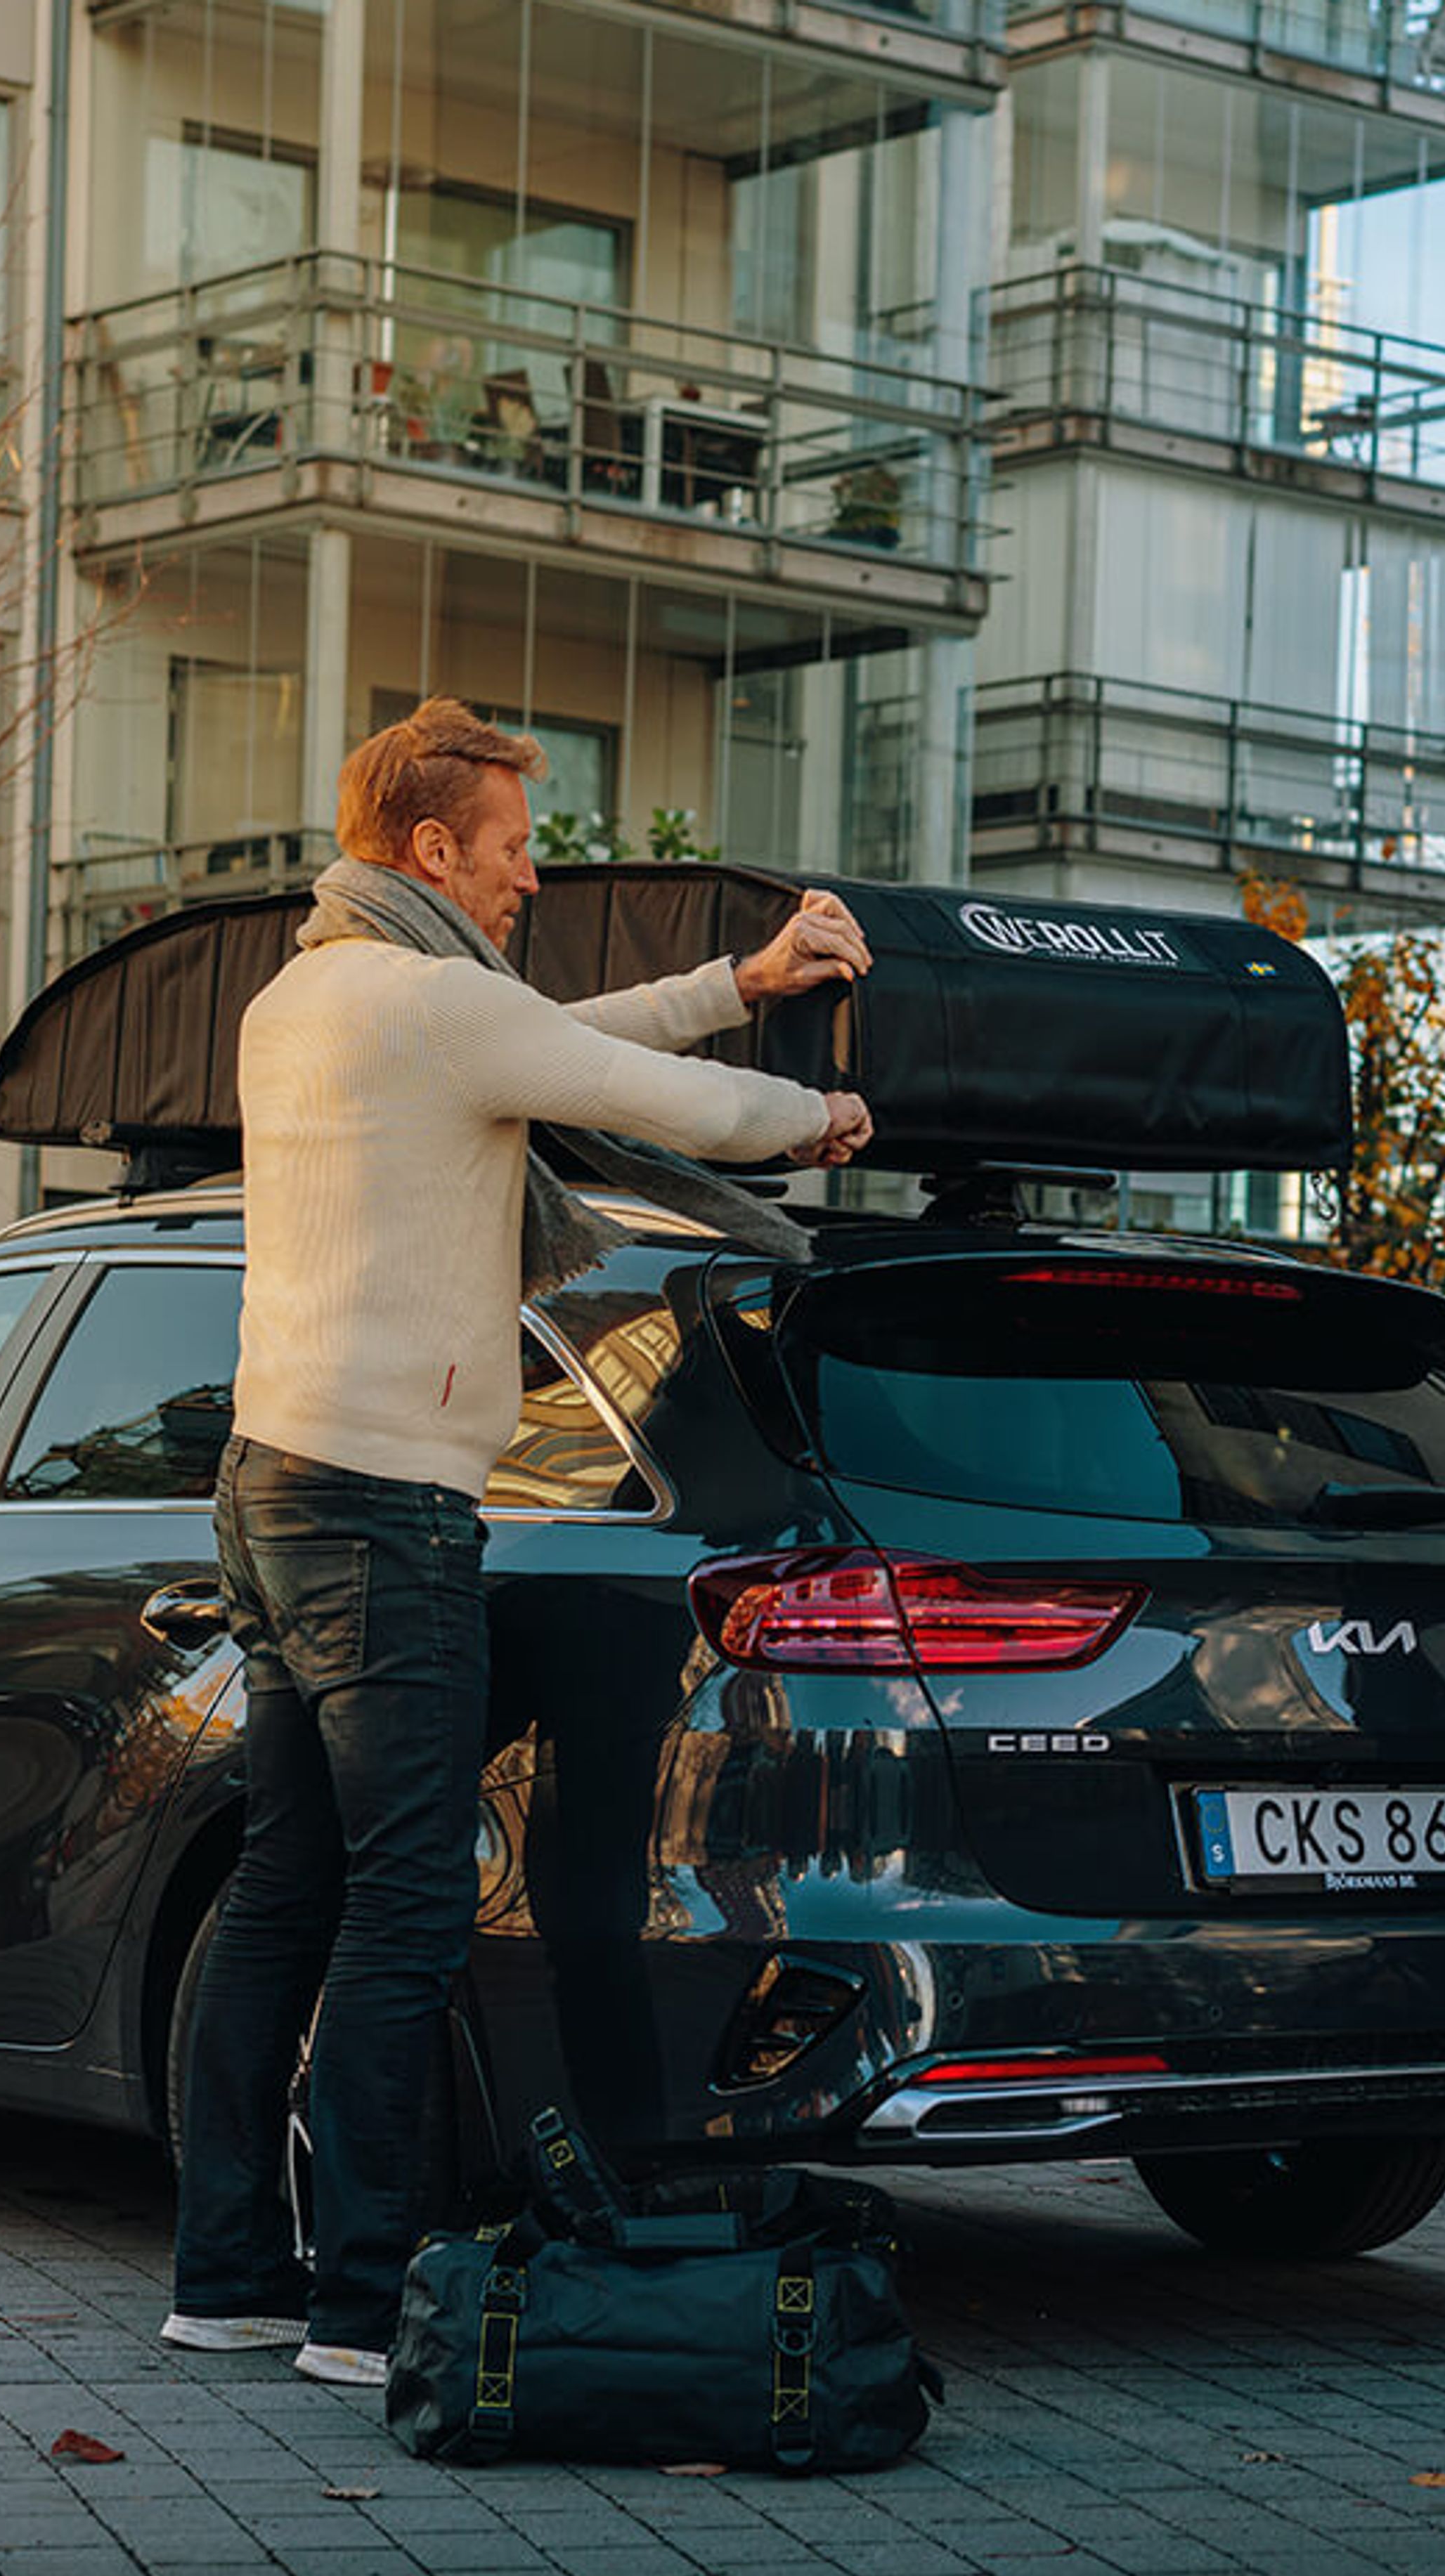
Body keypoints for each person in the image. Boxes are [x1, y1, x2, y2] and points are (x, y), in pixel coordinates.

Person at [162, 698, 871, 2388]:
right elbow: (625, 1089)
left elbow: (542, 1037)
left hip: (271, 1484)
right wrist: (811, 1123)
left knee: (287, 1892)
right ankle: (355, 2307)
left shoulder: (314, 995)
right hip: (380, 1506)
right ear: (431, 852)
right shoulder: (423, 1007)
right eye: (509, 849)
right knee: (406, 1907)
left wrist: (739, 987)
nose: (527, 875)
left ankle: (227, 2273)